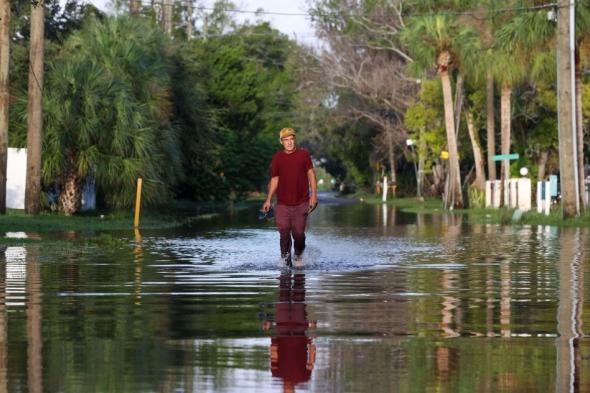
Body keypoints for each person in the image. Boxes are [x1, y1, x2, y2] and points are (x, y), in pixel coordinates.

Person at [262, 128, 317, 267]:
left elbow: (311, 174)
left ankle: (298, 254)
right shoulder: (277, 158)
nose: (289, 142)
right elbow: (275, 180)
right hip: (282, 204)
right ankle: (285, 263)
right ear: (282, 142)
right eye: (286, 140)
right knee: (284, 233)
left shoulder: (304, 155)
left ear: (294, 140)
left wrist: (314, 195)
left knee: (298, 234)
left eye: (291, 139)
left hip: (301, 202)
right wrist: (268, 200)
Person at [262, 272, 317, 392]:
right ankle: (299, 269)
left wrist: (271, 325)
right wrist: (312, 336)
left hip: (283, 326)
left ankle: (285, 270)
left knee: (283, 292)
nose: (287, 390)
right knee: (299, 293)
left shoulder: (276, 374)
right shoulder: (304, 379)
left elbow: (273, 349)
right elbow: (311, 361)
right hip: (299, 328)